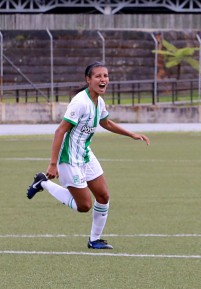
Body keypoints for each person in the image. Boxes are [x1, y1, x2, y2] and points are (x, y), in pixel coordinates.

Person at [26, 62, 150, 249]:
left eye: (106, 76)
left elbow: (106, 123)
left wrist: (131, 134)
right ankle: (42, 182)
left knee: (103, 196)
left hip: (85, 153)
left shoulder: (98, 101)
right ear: (88, 79)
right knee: (84, 206)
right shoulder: (80, 102)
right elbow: (60, 131)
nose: (103, 80)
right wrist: (53, 164)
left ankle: (94, 240)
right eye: (98, 76)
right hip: (69, 157)